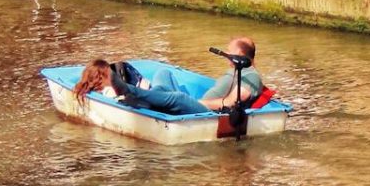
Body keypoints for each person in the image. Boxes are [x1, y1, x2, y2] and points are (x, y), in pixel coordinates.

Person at [111, 36, 263, 117]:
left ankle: (130, 90)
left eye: (229, 52)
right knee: (164, 73)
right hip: (198, 105)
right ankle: (153, 100)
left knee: (179, 98)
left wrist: (200, 103)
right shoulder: (235, 71)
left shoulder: (252, 77)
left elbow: (230, 103)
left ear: (241, 56)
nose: (226, 55)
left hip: (208, 113)